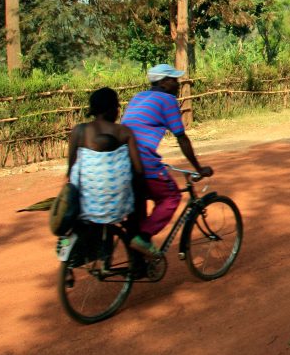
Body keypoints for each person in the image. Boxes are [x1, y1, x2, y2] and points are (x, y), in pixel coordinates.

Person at [121, 64, 213, 257]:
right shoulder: (167, 100)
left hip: (123, 163)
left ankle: (138, 263)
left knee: (139, 210)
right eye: (174, 80)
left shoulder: (138, 97)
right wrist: (199, 168)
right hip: (144, 161)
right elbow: (181, 137)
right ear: (163, 82)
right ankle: (144, 238)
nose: (178, 84)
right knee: (171, 196)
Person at [66, 87, 143, 231]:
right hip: (119, 205)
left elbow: (71, 168)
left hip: (86, 205)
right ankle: (136, 236)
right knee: (140, 186)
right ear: (112, 109)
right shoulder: (124, 132)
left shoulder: (79, 131)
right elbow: (139, 169)